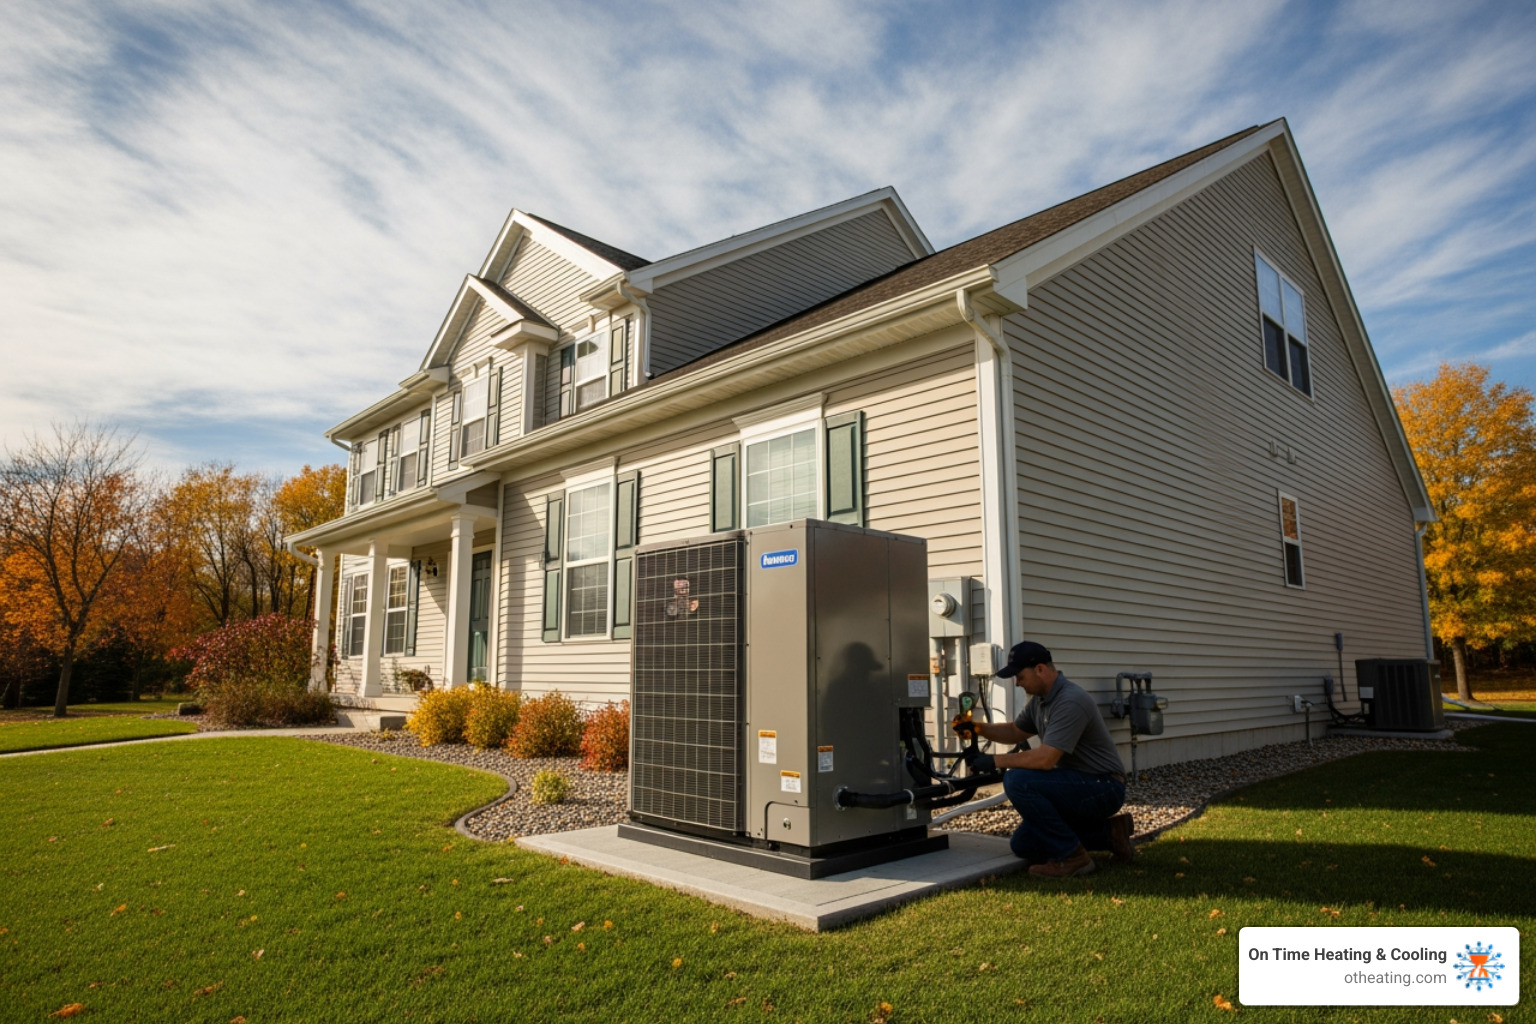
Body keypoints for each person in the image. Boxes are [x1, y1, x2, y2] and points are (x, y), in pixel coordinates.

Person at [958, 640, 1134, 877]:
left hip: (1103, 786)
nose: (1017, 683)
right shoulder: (1041, 701)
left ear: (1040, 669)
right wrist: (977, 728)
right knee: (1023, 844)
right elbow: (1015, 731)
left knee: (1017, 780)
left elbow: (1046, 759)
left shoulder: (1070, 700)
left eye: (1020, 676)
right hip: (1077, 783)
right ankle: (1111, 834)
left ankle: (1074, 857)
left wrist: (994, 761)